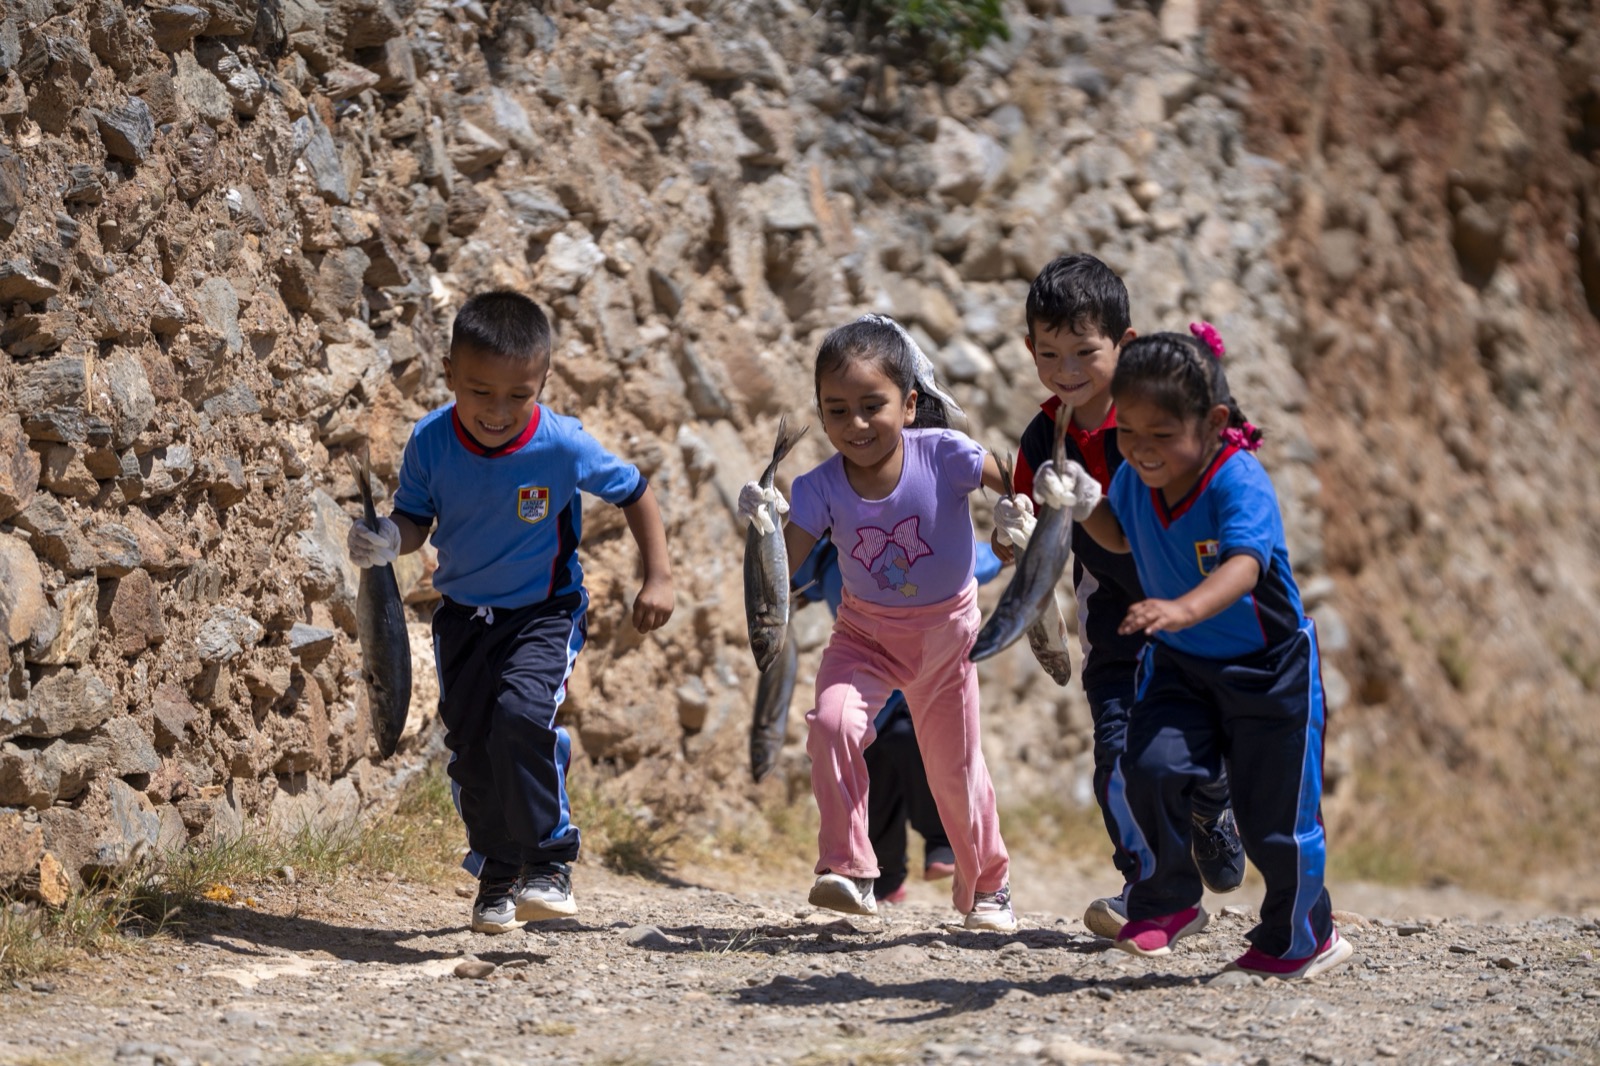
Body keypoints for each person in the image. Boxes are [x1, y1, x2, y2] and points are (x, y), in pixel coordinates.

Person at [346, 291, 674, 935]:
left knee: (523, 716)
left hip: (545, 613)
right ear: (448, 376)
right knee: (471, 748)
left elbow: (635, 491)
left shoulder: (562, 445)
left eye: (518, 395)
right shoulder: (432, 442)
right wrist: (390, 537)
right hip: (464, 617)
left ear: (542, 382)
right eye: (479, 392)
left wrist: (658, 575)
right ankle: (498, 871)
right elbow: (416, 518)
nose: (498, 411)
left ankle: (548, 861)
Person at [1034, 325, 1352, 979]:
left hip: (1269, 672)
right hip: (1180, 665)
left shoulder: (1238, 481)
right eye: (1129, 434)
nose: (1143, 452)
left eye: (1161, 436)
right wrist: (1079, 502)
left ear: (1212, 423)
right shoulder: (1134, 477)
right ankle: (1168, 900)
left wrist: (1180, 608)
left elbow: (1243, 565)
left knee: (1274, 822)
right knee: (1148, 766)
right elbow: (1119, 539)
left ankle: (1302, 936)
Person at [991, 255, 1245, 939]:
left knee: (1196, 746)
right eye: (1049, 354)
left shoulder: (1164, 409)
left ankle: (1212, 799)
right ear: (1029, 352)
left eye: (1084, 352)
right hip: (1111, 614)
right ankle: (1152, 890)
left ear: (1124, 347)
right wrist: (1012, 532)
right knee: (1117, 748)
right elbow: (1025, 523)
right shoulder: (1046, 435)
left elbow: (1228, 472)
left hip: (1190, 609)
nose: (1066, 369)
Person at [738, 314, 1016, 930]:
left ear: (910, 404)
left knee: (956, 770)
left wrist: (1029, 510)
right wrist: (763, 526)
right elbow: (782, 572)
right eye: (836, 411)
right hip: (864, 638)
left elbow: (1016, 484)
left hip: (947, 641)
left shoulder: (944, 455)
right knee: (831, 723)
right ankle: (848, 867)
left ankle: (987, 888)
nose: (855, 424)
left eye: (873, 406)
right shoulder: (817, 487)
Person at [788, 536, 1005, 904]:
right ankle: (887, 880)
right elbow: (788, 574)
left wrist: (1007, 549)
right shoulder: (823, 562)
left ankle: (943, 844)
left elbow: (976, 560)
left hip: (917, 684)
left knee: (920, 750)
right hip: (868, 688)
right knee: (876, 777)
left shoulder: (905, 548)